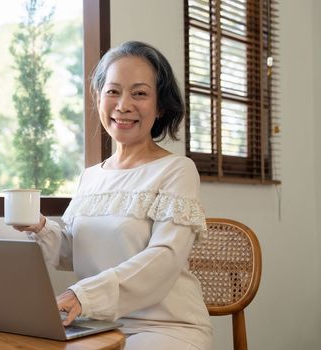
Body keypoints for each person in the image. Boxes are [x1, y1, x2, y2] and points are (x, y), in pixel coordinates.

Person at [13, 41, 213, 350]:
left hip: (165, 327)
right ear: (98, 97)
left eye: (140, 93)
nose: (123, 105)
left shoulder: (177, 170)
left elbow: (165, 259)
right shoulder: (90, 176)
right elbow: (74, 252)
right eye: (113, 91)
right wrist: (40, 227)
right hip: (96, 325)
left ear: (160, 106)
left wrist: (83, 295)